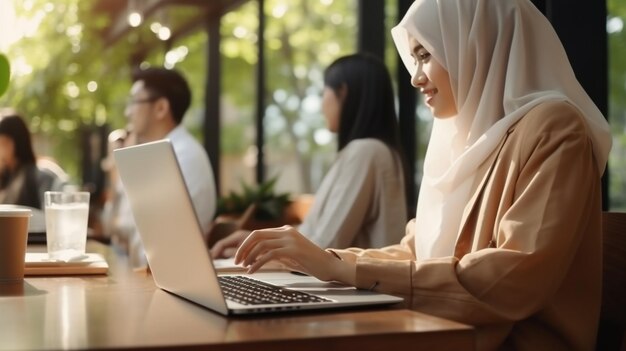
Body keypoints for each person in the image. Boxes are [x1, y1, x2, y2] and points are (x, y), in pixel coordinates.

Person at [231, 0, 612, 350]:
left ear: (476, 42)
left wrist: (339, 267)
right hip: (441, 330)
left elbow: (515, 276)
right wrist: (317, 260)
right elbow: (417, 252)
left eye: (425, 54)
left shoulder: (555, 127)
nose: (415, 78)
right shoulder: (462, 139)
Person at [211, 53, 409, 258]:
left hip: (348, 288)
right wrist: (257, 241)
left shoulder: (365, 152)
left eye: (324, 92)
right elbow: (317, 239)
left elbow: (323, 248)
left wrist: (244, 253)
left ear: (343, 92)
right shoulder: (374, 151)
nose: (322, 105)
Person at [125, 67, 217, 235]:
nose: (128, 112)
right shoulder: (165, 153)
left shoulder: (181, 157)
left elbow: (132, 231)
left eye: (134, 102)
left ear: (161, 108)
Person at [0, 111, 67, 209]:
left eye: (2, 143)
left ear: (16, 142)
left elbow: (50, 214)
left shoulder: (41, 175)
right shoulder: (6, 179)